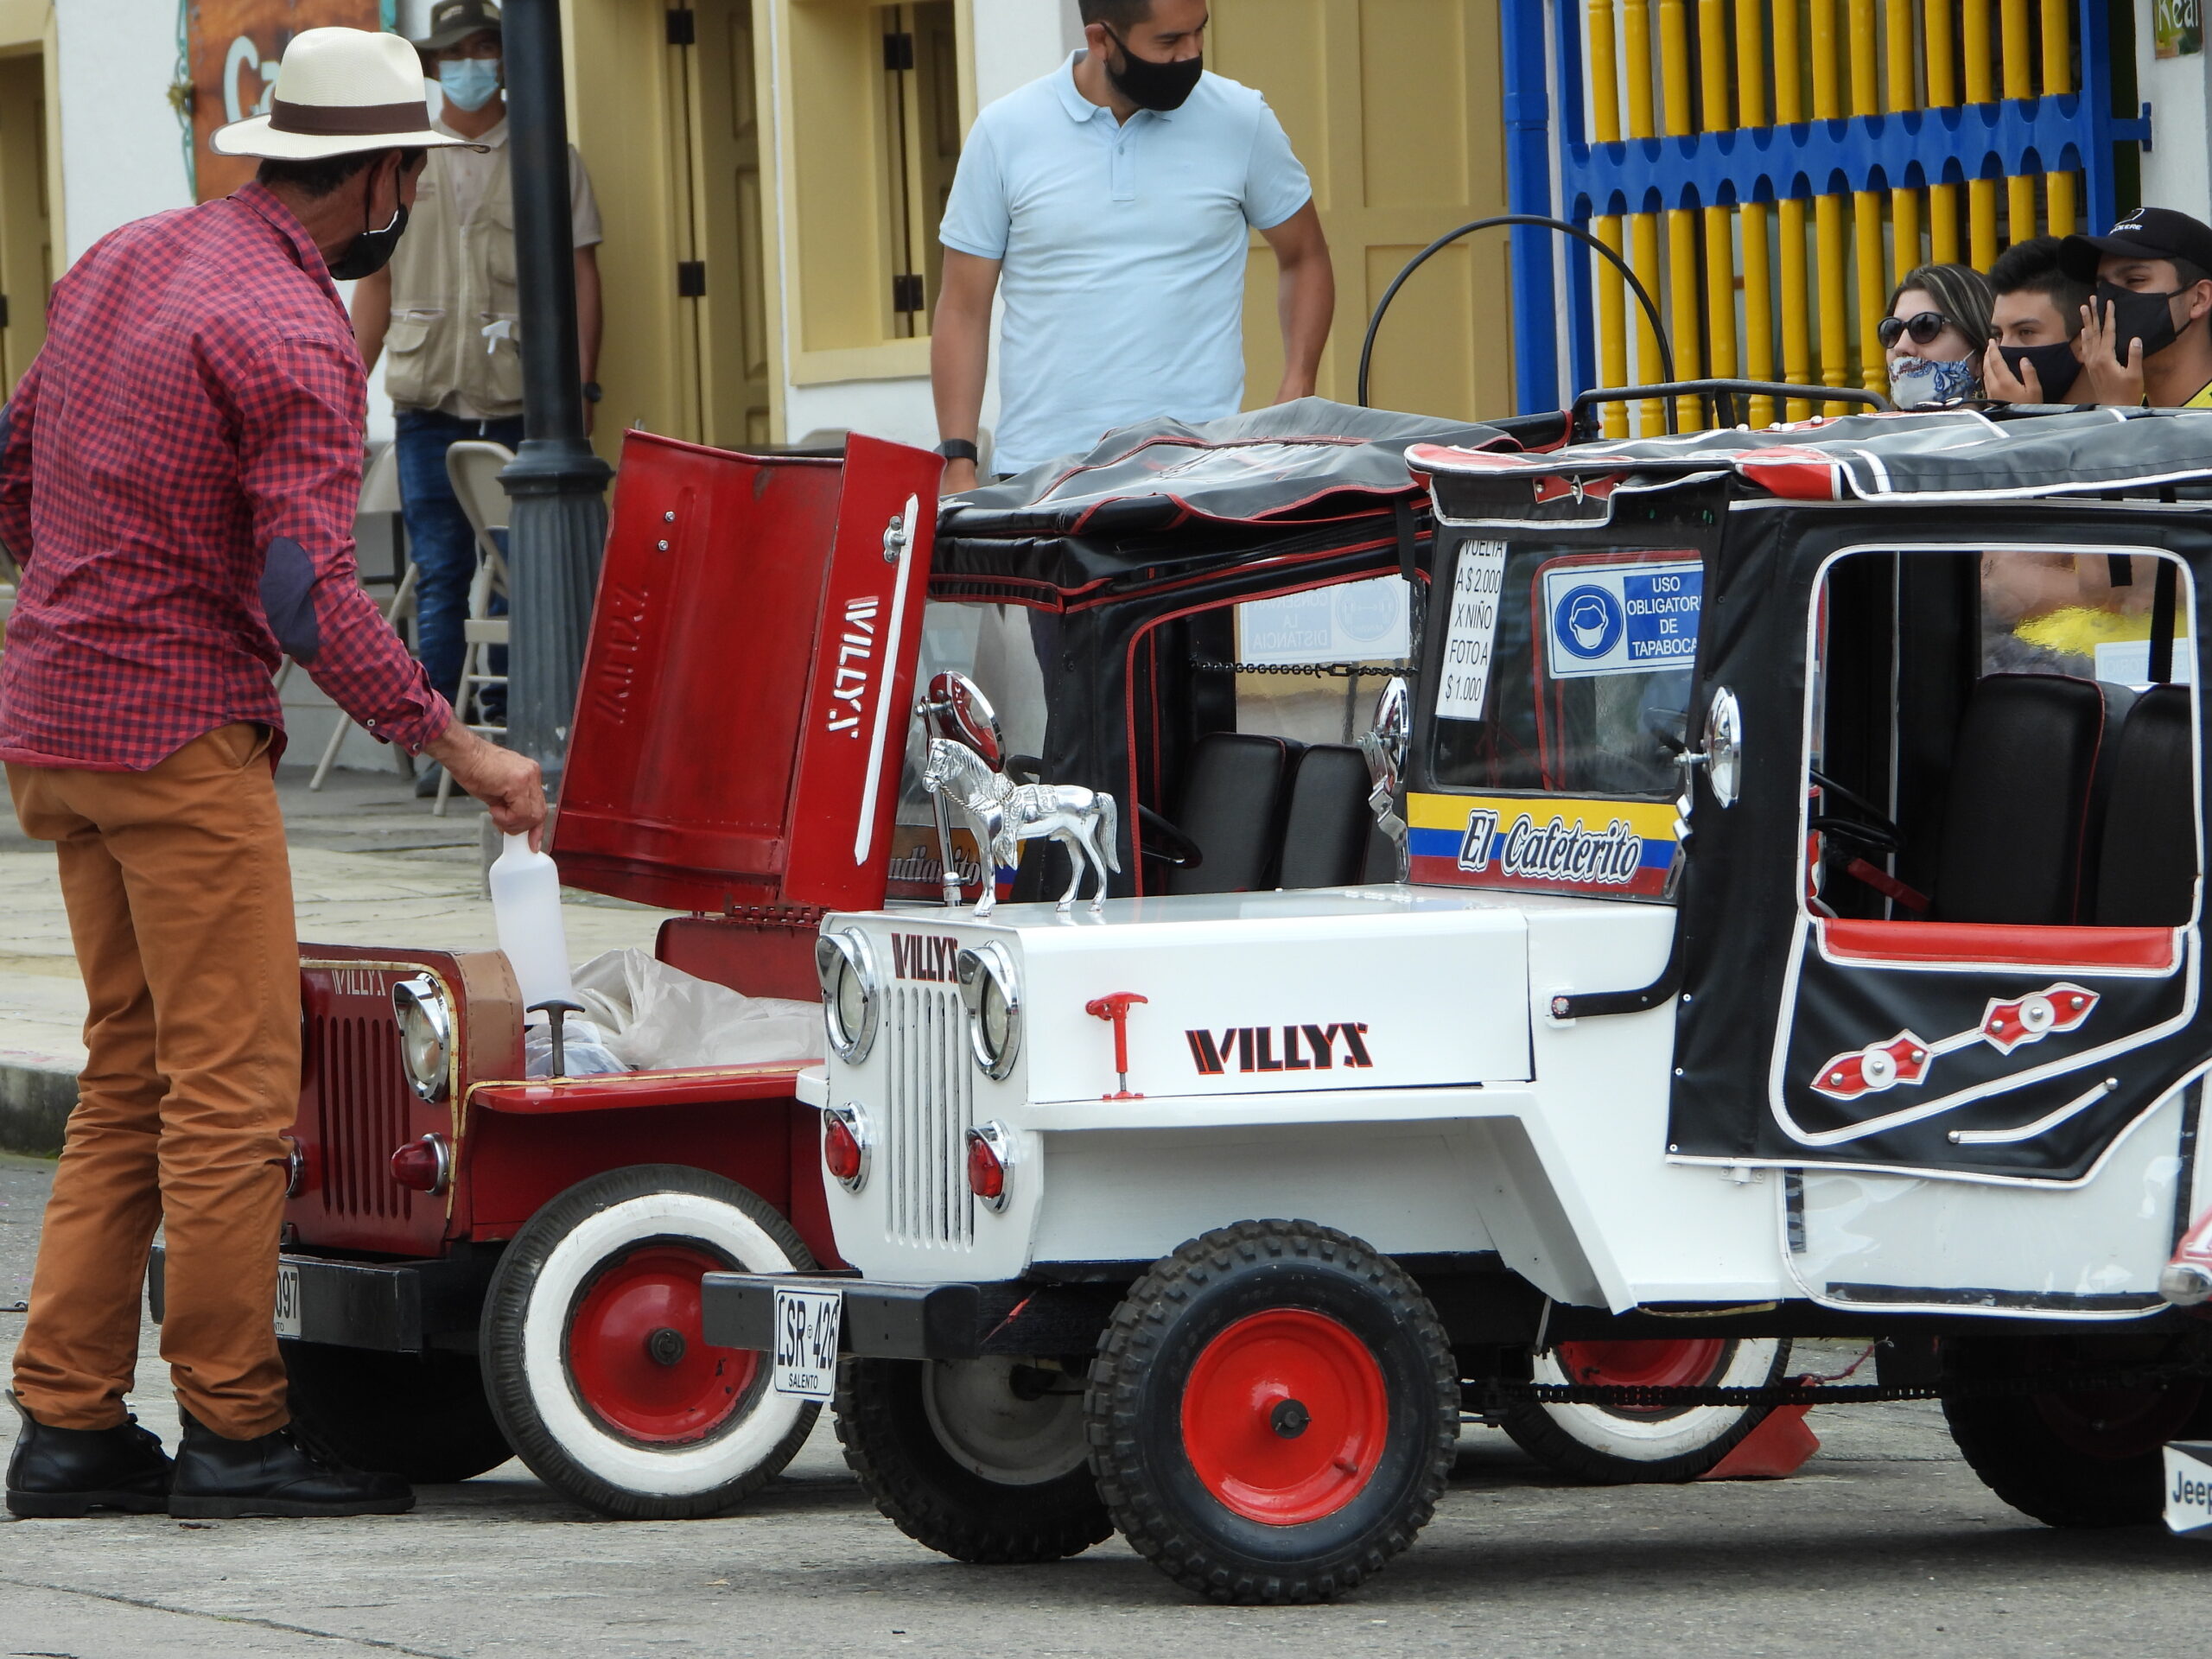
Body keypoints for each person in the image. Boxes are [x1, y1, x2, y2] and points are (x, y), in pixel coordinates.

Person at [0, 28, 543, 1521]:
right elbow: (312, 596)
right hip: (179, 738)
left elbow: (11, 465)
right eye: (409, 174)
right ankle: (237, 1431)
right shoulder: (295, 328)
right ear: (381, 177)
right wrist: (461, 744)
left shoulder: (126, 255)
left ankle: (68, 1427)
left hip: (55, 721)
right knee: (236, 1092)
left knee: (130, 1070)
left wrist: (81, 598)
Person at [353, 0, 604, 791]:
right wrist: (342, 390)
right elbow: (375, 285)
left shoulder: (547, 156)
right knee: (440, 570)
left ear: (505, 57)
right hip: (428, 402)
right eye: (455, 52)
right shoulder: (404, 159)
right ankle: (443, 747)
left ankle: (510, 737)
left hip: (523, 402)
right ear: (434, 66)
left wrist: (583, 386)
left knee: (522, 573)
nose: (471, 63)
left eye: (485, 47)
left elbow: (583, 277)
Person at [931, 0, 1333, 490]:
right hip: (1041, 476)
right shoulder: (1003, 132)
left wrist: (1297, 389)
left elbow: (1305, 256)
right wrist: (958, 459)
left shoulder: (1242, 119)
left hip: (1201, 472)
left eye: (1198, 32)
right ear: (1101, 40)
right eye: (1169, 41)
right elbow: (963, 308)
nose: (1191, 54)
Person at [2060, 207, 2212, 408]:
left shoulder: (2121, 403)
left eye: (2134, 280)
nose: (2109, 299)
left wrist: (2119, 411)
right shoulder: (2123, 399)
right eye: (2101, 286)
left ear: (2199, 298)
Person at [1980, 236, 2091, 404]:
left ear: (2086, 342)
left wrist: (2018, 414)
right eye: (1998, 334)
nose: (2003, 349)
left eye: (2025, 331)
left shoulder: (2126, 417)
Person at [1878, 263, 1993, 408]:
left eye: (1925, 327)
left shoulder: (2015, 422)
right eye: (1892, 330)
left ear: (1981, 357)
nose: (1900, 346)